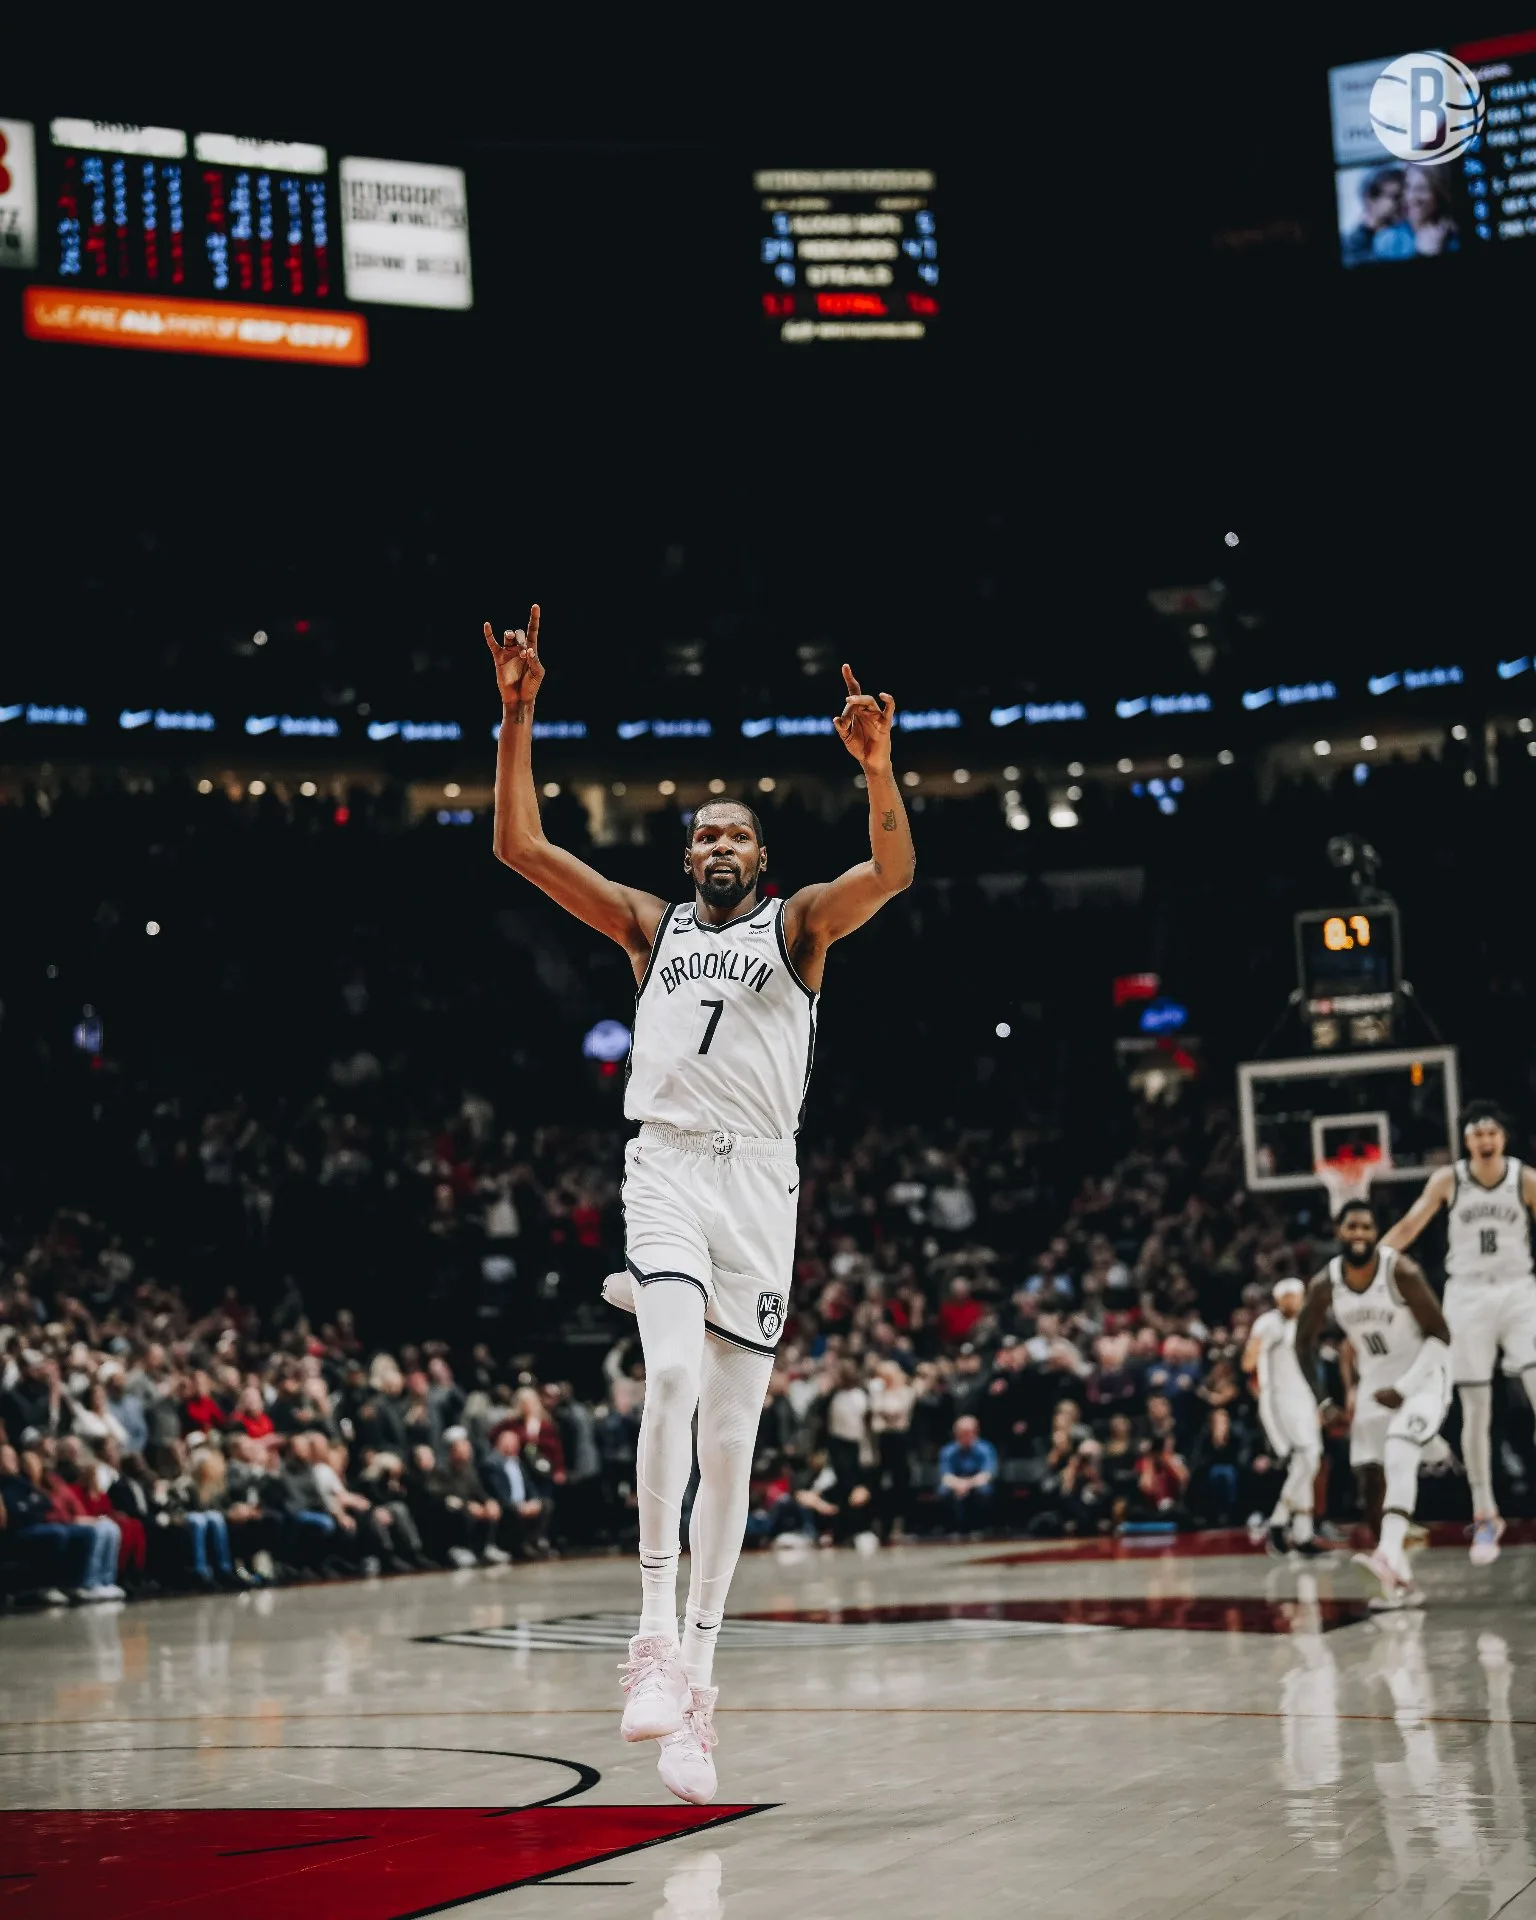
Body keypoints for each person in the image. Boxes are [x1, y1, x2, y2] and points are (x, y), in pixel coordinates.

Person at [485, 603, 914, 1806]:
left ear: (760, 858)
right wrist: (517, 715)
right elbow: (521, 848)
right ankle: (653, 1641)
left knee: (731, 1448)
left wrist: (879, 768)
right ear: (687, 859)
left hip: (760, 1184)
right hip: (666, 1162)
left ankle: (704, 1695)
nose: (717, 842)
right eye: (701, 832)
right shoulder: (648, 927)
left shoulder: (798, 926)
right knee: (667, 1380)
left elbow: (893, 871)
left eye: (736, 831)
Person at [1380, 1102, 1536, 1565]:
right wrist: (1373, 1261)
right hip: (1466, 1294)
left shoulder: (1523, 1178)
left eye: (1492, 1132)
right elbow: (1410, 1225)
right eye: (1476, 1134)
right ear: (1466, 1140)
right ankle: (1485, 1513)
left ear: (1503, 1138)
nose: (1485, 1140)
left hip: (1518, 1290)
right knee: (1474, 1407)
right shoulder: (1448, 1180)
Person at [1296, 1200, 1452, 1609]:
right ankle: (1397, 1578)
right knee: (1368, 1477)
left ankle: (1389, 1555)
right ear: (1338, 1232)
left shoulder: (1401, 1271)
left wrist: (1406, 1387)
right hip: (1374, 1382)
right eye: (1352, 1227)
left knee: (1400, 1446)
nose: (1360, 1234)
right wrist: (1324, 1399)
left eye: (1367, 1227)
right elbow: (1303, 1342)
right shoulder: (1324, 1284)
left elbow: (1441, 1335)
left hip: (1423, 1377)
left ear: (1375, 1231)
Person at [1242, 1278, 1324, 1558]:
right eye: (1290, 1296)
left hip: (1303, 1398)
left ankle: (1303, 1534)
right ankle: (1278, 1522)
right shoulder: (1269, 1323)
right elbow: (1248, 1362)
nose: (1295, 1301)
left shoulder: (1302, 1325)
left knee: (1308, 1461)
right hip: (1280, 1398)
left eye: (1298, 1295)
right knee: (1308, 1456)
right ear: (1279, 1299)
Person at [937, 1415, 998, 1536]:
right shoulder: (948, 1451)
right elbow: (945, 1476)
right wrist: (959, 1484)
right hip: (957, 1484)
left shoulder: (986, 1449)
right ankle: (952, 1528)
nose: (965, 1436)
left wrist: (967, 1484)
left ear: (976, 1432)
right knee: (943, 1491)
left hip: (976, 1483)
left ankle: (979, 1527)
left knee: (984, 1491)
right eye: (962, 1433)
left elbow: (987, 1474)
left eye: (968, 1432)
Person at [1339, 164, 1405, 266]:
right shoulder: (1349, 245)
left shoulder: (1404, 233)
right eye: (1395, 197)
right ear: (1370, 198)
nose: (1403, 202)